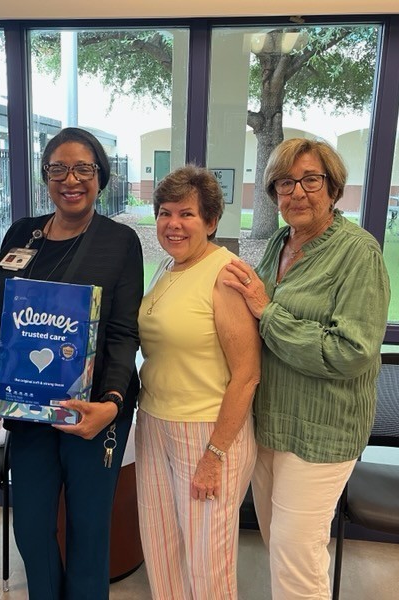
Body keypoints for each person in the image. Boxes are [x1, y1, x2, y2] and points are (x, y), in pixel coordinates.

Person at [0, 127, 143, 600]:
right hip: (28, 409)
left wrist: (112, 402)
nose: (71, 180)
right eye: (58, 169)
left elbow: (123, 332)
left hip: (91, 412)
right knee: (31, 528)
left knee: (88, 532)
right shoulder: (21, 233)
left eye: (83, 169)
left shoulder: (120, 241)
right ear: (45, 176)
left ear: (100, 176)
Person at [224, 139, 390, 599]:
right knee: (279, 543)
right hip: (270, 424)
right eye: (285, 182)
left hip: (322, 431)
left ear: (333, 188)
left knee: (297, 556)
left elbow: (350, 351)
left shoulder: (359, 253)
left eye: (310, 180)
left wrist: (267, 312)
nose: (297, 192)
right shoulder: (279, 242)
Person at [135, 165, 261, 599]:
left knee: (208, 565)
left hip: (207, 431)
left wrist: (215, 454)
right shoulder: (166, 269)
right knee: (161, 549)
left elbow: (247, 374)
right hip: (154, 422)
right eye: (165, 213)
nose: (173, 224)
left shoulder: (226, 274)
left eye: (186, 214)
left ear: (211, 221)